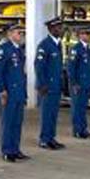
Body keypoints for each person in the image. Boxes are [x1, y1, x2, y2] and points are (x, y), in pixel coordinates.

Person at [0, 24, 28, 163]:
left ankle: (15, 149)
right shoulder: (4, 49)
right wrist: (2, 90)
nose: (21, 35)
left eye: (21, 32)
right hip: (9, 92)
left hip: (18, 91)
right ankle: (7, 151)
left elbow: (20, 72)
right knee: (8, 122)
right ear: (10, 34)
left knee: (17, 122)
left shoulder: (19, 49)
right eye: (18, 32)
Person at [34, 16, 65, 150]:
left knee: (53, 114)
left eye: (61, 27)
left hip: (56, 85)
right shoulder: (44, 45)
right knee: (47, 114)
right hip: (47, 87)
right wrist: (42, 84)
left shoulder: (58, 44)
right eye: (58, 27)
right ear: (51, 29)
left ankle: (51, 138)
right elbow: (39, 66)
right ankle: (44, 140)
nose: (61, 29)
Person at [67, 26, 90, 139]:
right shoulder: (76, 49)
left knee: (83, 108)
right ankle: (77, 130)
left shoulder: (88, 49)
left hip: (86, 83)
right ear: (80, 35)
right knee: (77, 108)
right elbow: (71, 68)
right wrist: (74, 83)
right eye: (86, 34)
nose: (89, 36)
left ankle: (83, 129)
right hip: (78, 84)